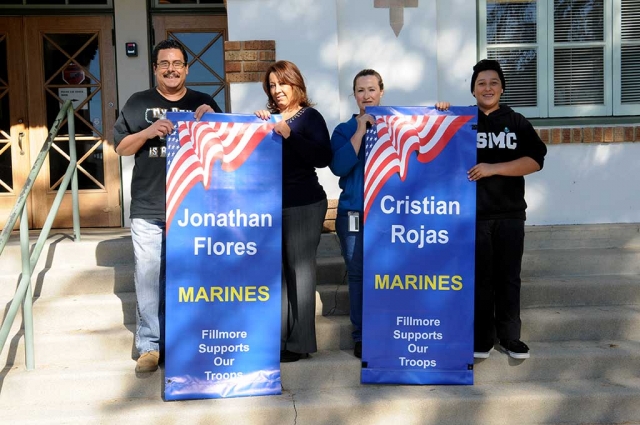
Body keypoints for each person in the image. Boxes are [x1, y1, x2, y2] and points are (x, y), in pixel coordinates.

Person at [113, 39, 221, 373]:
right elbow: (121, 148)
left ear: (187, 68)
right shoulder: (138, 103)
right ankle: (149, 347)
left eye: (177, 63)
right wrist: (147, 131)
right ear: (156, 68)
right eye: (164, 63)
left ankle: (184, 341)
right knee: (148, 277)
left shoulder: (203, 102)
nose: (171, 69)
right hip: (149, 207)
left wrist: (216, 119)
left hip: (193, 209)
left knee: (190, 277)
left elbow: (225, 146)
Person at [329, 69, 449, 358]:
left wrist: (441, 113)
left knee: (391, 273)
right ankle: (362, 335)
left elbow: (427, 139)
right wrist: (360, 131)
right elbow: (339, 167)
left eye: (371, 89)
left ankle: (390, 329)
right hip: (355, 213)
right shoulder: (343, 130)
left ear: (381, 91)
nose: (366, 95)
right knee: (358, 274)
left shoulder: (398, 126)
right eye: (360, 90)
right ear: (353, 95)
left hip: (392, 215)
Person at [467, 59, 547, 360]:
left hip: (510, 213)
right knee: (481, 278)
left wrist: (492, 168)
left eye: (493, 83)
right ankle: (482, 339)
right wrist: (440, 111)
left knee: (508, 277)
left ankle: (511, 337)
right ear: (473, 90)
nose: (487, 88)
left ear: (502, 88)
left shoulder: (517, 122)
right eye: (481, 83)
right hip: (474, 215)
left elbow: (535, 161)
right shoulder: (464, 122)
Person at [255, 60, 332, 363]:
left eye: (281, 84)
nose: (276, 90)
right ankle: (282, 339)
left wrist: (290, 134)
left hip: (304, 203)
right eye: (271, 86)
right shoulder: (270, 118)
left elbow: (324, 156)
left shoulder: (309, 117)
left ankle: (300, 344)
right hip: (273, 206)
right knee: (281, 275)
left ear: (296, 84)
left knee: (300, 272)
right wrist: (259, 125)